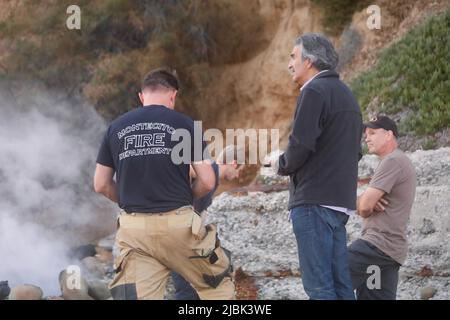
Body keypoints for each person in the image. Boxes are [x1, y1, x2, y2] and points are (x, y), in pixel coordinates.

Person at [94, 68, 234, 300]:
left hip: (134, 231)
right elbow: (208, 180)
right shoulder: (185, 124)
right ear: (173, 96)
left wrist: (132, 199)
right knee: (217, 288)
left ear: (142, 96)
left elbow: (100, 184)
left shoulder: (115, 128)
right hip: (178, 225)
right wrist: (187, 198)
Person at [273, 33, 362, 300]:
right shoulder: (348, 96)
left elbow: (300, 145)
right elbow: (354, 153)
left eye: (293, 57)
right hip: (339, 204)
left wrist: (281, 163)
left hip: (313, 203)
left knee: (319, 288)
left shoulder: (313, 91)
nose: (290, 64)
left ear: (309, 61)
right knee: (341, 286)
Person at [349, 115, 416, 300]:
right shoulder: (397, 161)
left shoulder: (392, 161)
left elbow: (363, 208)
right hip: (388, 253)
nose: (367, 138)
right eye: (365, 134)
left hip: (376, 247)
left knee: (331, 277)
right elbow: (364, 204)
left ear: (388, 135)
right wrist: (365, 200)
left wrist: (364, 201)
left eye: (372, 133)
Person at [171, 145, 244, 300]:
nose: (237, 176)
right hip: (179, 235)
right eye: (239, 170)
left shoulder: (212, 175)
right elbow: (179, 170)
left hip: (186, 236)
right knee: (186, 290)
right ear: (234, 163)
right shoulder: (208, 169)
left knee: (192, 289)